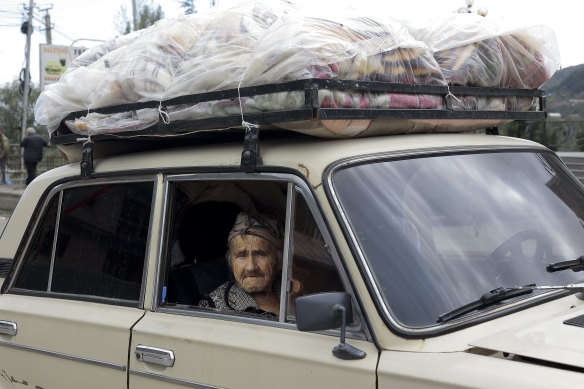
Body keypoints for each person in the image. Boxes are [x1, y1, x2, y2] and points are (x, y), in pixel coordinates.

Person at [199, 211, 284, 318]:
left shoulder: (292, 290)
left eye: (261, 254)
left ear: (280, 261)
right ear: (231, 262)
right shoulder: (212, 308)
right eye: (241, 255)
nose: (251, 267)